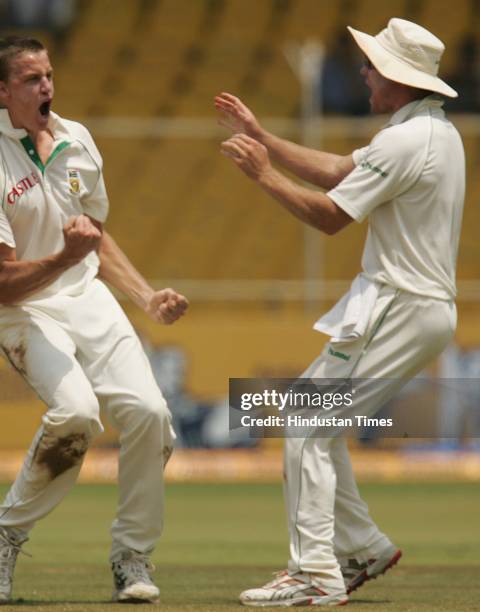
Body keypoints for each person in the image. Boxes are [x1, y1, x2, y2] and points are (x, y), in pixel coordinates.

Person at [215, 18, 463, 607]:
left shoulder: (405, 141)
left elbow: (330, 215)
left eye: (373, 66)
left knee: (304, 422)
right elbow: (340, 172)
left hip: (400, 304)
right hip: (414, 305)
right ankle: (362, 548)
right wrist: (265, 137)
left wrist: (262, 173)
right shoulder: (432, 132)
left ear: (399, 81)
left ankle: (316, 574)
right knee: (316, 425)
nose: (364, 73)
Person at [0, 36, 188, 605]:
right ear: (2, 91)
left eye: (48, 75)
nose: (46, 86)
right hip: (21, 308)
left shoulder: (77, 140)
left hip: (86, 294)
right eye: (30, 80)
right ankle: (0, 536)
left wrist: (146, 296)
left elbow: (93, 237)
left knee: (150, 413)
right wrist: (64, 258)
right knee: (76, 413)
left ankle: (132, 556)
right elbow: (2, 281)